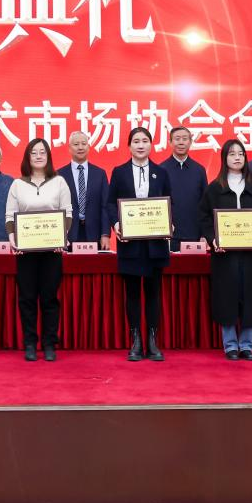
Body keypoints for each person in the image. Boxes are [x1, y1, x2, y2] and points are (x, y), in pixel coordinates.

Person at [199, 139, 252, 361]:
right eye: (232, 154)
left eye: (241, 154)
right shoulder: (214, 187)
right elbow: (203, 218)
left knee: (251, 295)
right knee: (226, 296)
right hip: (224, 255)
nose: (237, 157)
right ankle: (230, 345)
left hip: (251, 254)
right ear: (224, 158)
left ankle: (247, 345)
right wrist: (213, 240)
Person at [107, 127, 171, 362]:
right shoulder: (119, 172)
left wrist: (169, 223)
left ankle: (153, 341)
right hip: (130, 244)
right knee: (132, 293)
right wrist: (117, 225)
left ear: (151, 144)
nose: (140, 145)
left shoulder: (161, 172)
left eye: (145, 141)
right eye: (136, 141)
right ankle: (135, 341)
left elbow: (169, 202)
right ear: (129, 146)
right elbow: (110, 203)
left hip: (155, 245)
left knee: (153, 293)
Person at [5, 139, 72, 362]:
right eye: (34, 152)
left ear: (48, 156)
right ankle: (30, 343)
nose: (38, 156)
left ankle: (50, 343)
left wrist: (61, 238)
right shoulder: (17, 184)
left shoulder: (59, 182)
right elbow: (10, 216)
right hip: (25, 251)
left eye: (42, 152)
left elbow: (67, 213)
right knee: (27, 298)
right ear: (28, 157)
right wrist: (13, 240)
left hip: (52, 250)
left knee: (49, 298)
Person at [58, 131, 110, 248]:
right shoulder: (59, 175)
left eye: (84, 144)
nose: (80, 147)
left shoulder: (100, 174)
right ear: (69, 148)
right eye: (76, 144)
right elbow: (56, 207)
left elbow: (105, 206)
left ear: (88, 147)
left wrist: (105, 234)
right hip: (68, 235)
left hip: (95, 234)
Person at [162, 126, 208, 251]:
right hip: (168, 236)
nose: (181, 142)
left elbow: (205, 204)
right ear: (170, 142)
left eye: (184, 139)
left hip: (195, 236)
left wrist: (204, 234)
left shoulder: (199, 170)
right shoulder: (161, 170)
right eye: (177, 139)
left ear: (190, 142)